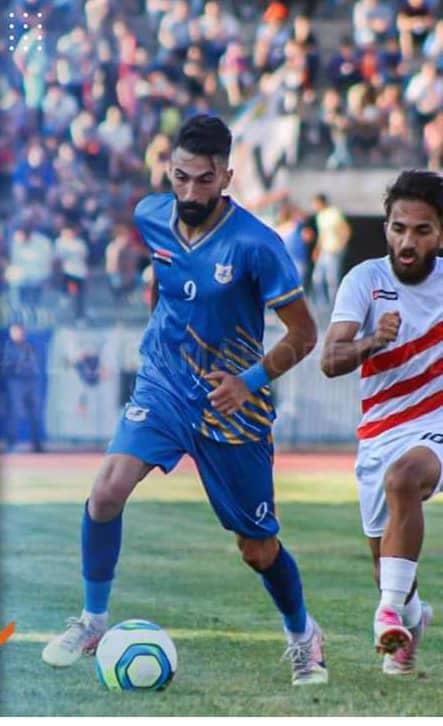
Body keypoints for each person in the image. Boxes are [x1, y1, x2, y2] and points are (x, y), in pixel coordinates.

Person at [42, 114, 327, 686]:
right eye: (180, 177)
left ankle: (303, 635)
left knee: (257, 549)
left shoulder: (257, 245)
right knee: (106, 492)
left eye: (204, 180)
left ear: (227, 177)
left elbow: (304, 334)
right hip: (165, 386)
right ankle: (93, 620)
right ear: (167, 171)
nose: (191, 192)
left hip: (232, 406)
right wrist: (161, 336)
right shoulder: (151, 215)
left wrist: (248, 381)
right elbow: (164, 278)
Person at [321, 169, 443, 676]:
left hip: (435, 423)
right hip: (379, 431)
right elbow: (330, 360)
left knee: (404, 479)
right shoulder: (364, 280)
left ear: (441, 233)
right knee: (385, 563)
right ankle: (409, 615)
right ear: (387, 227)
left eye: (422, 230)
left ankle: (388, 612)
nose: (407, 242)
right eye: (398, 228)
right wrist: (373, 341)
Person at [1, 322, 44, 452]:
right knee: (15, 413)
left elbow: (34, 363)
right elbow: (6, 366)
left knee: (35, 413)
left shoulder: (30, 346)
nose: (16, 334)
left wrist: (25, 366)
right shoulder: (7, 348)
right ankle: (11, 443)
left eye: (18, 331)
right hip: (15, 383)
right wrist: (18, 366)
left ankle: (37, 444)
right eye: (13, 332)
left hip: (31, 382)